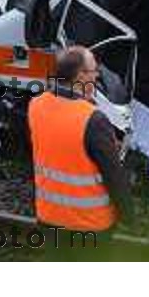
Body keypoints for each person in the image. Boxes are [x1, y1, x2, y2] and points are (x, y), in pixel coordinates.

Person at [28, 46, 132, 261]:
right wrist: (128, 215)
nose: (97, 76)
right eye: (94, 71)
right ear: (80, 75)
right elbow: (114, 175)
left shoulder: (36, 104)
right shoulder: (93, 119)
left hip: (49, 216)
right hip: (89, 224)